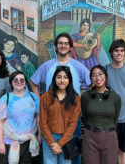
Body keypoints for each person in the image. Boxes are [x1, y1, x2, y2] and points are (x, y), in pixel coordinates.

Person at [30, 32, 90, 164]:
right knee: (51, 152)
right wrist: (40, 101)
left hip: (72, 117)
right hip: (51, 116)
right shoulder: (47, 66)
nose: (63, 46)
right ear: (56, 47)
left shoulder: (77, 66)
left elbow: (92, 83)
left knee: (72, 153)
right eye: (60, 43)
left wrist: (82, 104)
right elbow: (33, 82)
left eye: (66, 44)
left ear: (70, 47)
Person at [0, 71, 40, 164]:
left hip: (28, 141)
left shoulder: (33, 97)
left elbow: (38, 116)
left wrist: (40, 135)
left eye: (22, 80)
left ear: (25, 82)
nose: (19, 82)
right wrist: (0, 143)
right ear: (11, 82)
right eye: (15, 80)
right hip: (9, 142)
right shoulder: (5, 99)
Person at [39, 66, 81, 164]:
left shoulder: (75, 98)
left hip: (67, 138)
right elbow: (43, 122)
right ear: (54, 79)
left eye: (65, 77)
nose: (62, 80)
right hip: (49, 137)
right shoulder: (45, 97)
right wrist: (52, 143)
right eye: (59, 77)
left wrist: (60, 143)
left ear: (69, 79)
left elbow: (73, 123)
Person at [81, 65, 121, 164]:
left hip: (109, 138)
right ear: (91, 79)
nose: (98, 78)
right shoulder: (85, 96)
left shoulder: (115, 97)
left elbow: (115, 120)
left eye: (100, 74)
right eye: (94, 75)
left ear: (106, 76)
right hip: (90, 137)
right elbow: (85, 118)